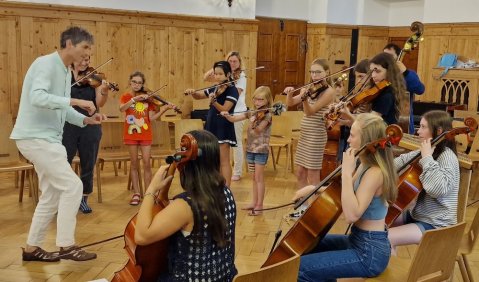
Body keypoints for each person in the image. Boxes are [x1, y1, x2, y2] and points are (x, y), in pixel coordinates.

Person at [11, 26, 103, 262]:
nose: (87, 54)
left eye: (89, 49)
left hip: (47, 138)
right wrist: (76, 101)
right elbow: (37, 97)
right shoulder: (45, 63)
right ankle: (67, 245)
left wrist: (86, 119)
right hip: (35, 137)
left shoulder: (65, 71)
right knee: (73, 186)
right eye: (85, 48)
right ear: (69, 44)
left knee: (51, 194)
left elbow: (62, 108)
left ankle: (32, 248)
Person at [293, 113, 399, 281]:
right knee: (305, 245)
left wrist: (346, 174)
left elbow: (351, 215)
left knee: (300, 269)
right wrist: (313, 189)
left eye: (352, 135)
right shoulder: (365, 163)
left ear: (367, 140)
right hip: (357, 240)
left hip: (369, 252)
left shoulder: (375, 173)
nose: (348, 140)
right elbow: (345, 191)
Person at [135, 130, 237, 281]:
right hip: (223, 277)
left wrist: (151, 189)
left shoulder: (186, 205)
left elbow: (141, 236)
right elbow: (164, 203)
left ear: (186, 164)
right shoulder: (226, 192)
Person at [388, 110, 459, 255]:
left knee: (385, 238)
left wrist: (426, 158)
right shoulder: (430, 150)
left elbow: (437, 189)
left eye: (423, 127)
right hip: (420, 215)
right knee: (381, 223)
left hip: (437, 224)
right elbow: (400, 161)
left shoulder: (447, 156)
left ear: (438, 131)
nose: (418, 131)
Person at [119, 71, 176, 206]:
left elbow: (151, 118)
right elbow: (122, 108)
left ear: (142, 84)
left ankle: (148, 193)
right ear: (130, 83)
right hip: (131, 133)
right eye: (134, 82)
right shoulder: (126, 96)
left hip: (145, 134)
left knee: (146, 163)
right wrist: (134, 100)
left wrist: (164, 109)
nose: (137, 85)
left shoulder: (148, 99)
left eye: (139, 83)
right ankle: (136, 193)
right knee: (134, 163)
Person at [62, 55, 109, 214]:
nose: (85, 63)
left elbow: (99, 103)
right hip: (67, 124)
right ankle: (64, 196)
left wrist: (104, 91)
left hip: (91, 124)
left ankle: (83, 197)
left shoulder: (94, 77)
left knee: (88, 162)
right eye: (82, 59)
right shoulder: (64, 75)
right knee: (63, 161)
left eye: (88, 60)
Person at [284, 58, 336, 198]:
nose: (314, 76)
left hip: (316, 135)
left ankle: (315, 210)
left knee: (313, 176)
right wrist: (290, 93)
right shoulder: (310, 87)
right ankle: (303, 207)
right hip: (305, 134)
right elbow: (291, 102)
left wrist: (305, 99)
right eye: (312, 72)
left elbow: (310, 111)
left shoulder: (329, 91)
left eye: (318, 72)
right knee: (300, 172)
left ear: (326, 72)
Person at [185, 61, 239, 188]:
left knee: (224, 161)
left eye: (220, 74)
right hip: (211, 126)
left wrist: (214, 102)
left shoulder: (232, 90)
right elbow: (198, 96)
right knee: (214, 160)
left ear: (228, 74)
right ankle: (217, 185)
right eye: (215, 74)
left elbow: (225, 109)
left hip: (223, 127)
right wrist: (193, 92)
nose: (217, 76)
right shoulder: (215, 87)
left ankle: (226, 189)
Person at [221, 86, 273, 216]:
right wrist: (227, 115)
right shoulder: (252, 112)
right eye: (255, 99)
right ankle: (254, 202)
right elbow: (234, 119)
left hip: (261, 150)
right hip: (250, 149)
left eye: (261, 100)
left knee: (259, 178)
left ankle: (260, 206)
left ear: (267, 101)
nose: (257, 102)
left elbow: (257, 130)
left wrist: (252, 121)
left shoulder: (267, 115)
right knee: (253, 178)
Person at [205, 51, 247, 182]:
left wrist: (216, 98)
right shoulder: (219, 81)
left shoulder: (241, 77)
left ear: (239, 63)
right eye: (230, 61)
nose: (233, 63)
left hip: (237, 112)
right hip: (217, 118)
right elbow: (205, 78)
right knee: (216, 157)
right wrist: (218, 69)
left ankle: (237, 171)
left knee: (235, 144)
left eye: (235, 61)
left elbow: (234, 96)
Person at [383, 43, 425, 134]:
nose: (386, 59)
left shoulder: (408, 74)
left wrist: (405, 73)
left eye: (390, 56)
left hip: (401, 123)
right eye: (384, 56)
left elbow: (420, 89)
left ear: (399, 57)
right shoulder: (380, 74)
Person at [368, 52, 409, 125]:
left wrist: (348, 114)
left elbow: (368, 123)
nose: (373, 75)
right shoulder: (379, 91)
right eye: (372, 71)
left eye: (378, 71)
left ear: (389, 72)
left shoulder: (387, 95)